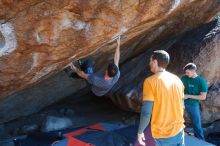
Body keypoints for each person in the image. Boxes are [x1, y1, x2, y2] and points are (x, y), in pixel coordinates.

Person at [137, 50, 185, 146]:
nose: (149, 63)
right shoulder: (177, 80)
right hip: (179, 129)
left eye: (150, 60)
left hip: (162, 134)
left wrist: (140, 132)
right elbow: (182, 106)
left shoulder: (150, 81)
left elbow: (146, 112)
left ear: (155, 62)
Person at [181, 63, 208, 140]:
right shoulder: (184, 78)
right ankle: (177, 135)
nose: (186, 74)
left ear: (193, 71)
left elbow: (203, 97)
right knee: (177, 119)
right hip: (181, 101)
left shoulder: (201, 81)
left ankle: (200, 139)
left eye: (188, 72)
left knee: (196, 122)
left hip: (193, 104)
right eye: (185, 72)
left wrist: (188, 96)